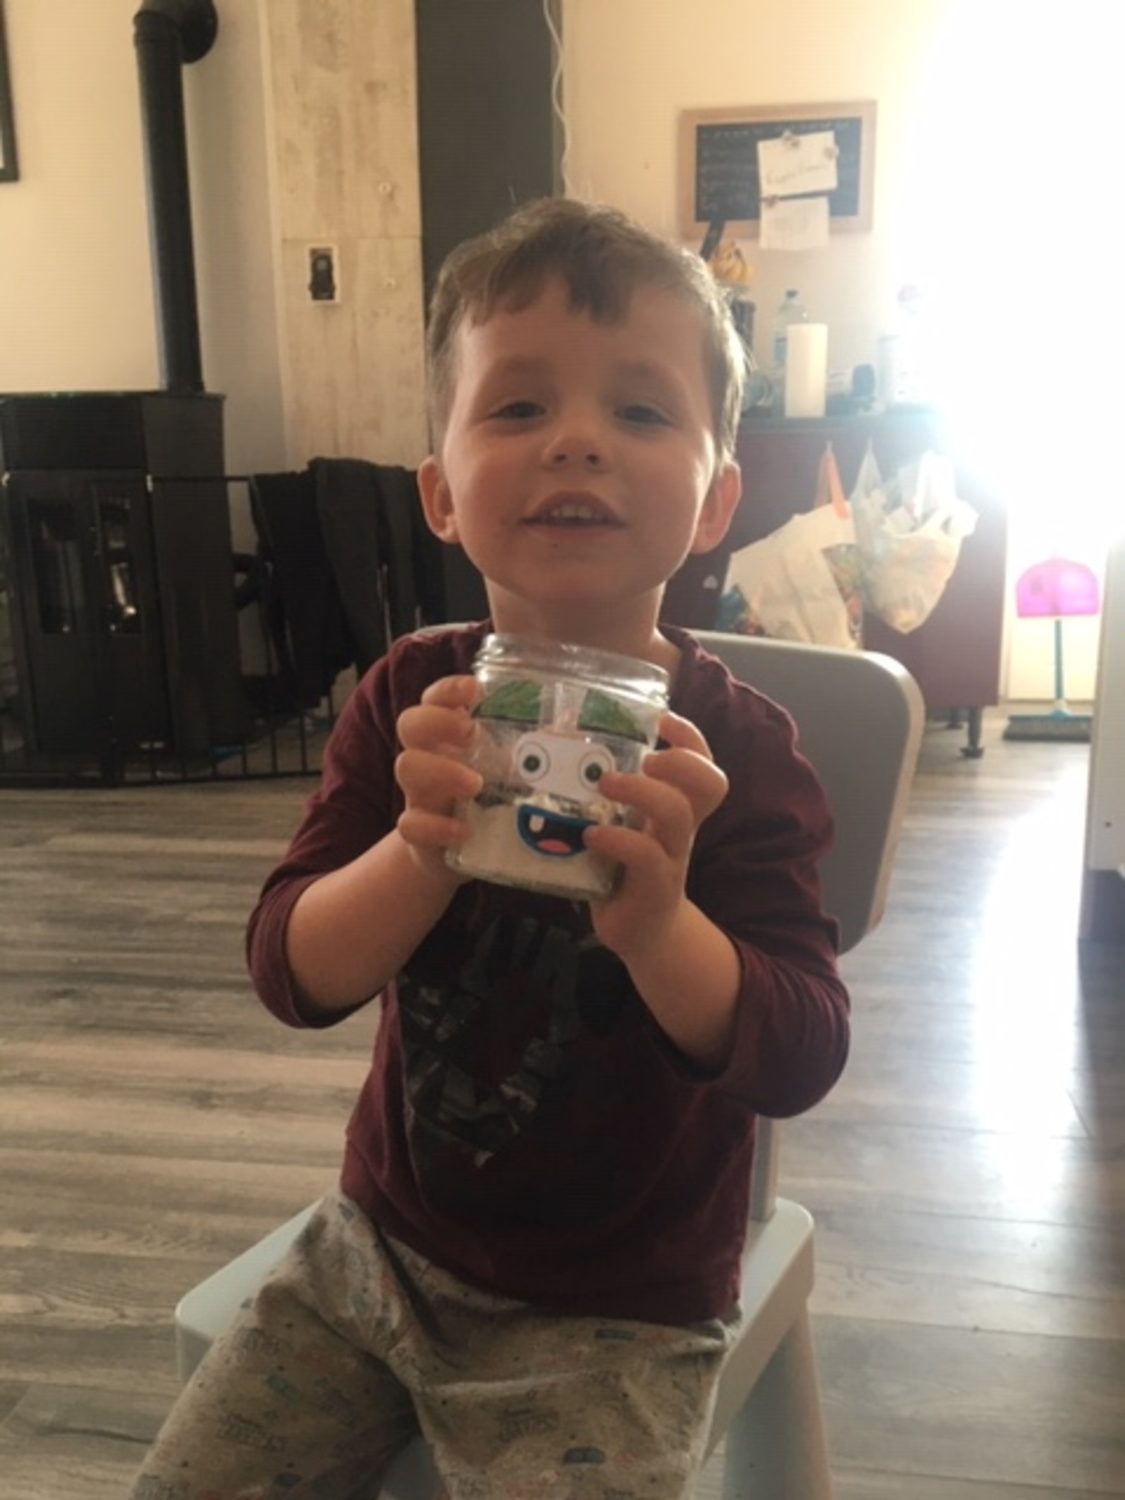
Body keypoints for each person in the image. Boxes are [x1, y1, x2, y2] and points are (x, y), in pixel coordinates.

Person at [130, 198, 849, 1500]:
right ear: (442, 495)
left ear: (715, 503)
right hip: (376, 1254)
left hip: (620, 1305)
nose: (576, 438)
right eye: (517, 407)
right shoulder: (409, 700)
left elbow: (800, 1051)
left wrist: (660, 929)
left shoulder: (740, 754)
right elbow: (290, 971)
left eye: (641, 410)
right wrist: (419, 852)